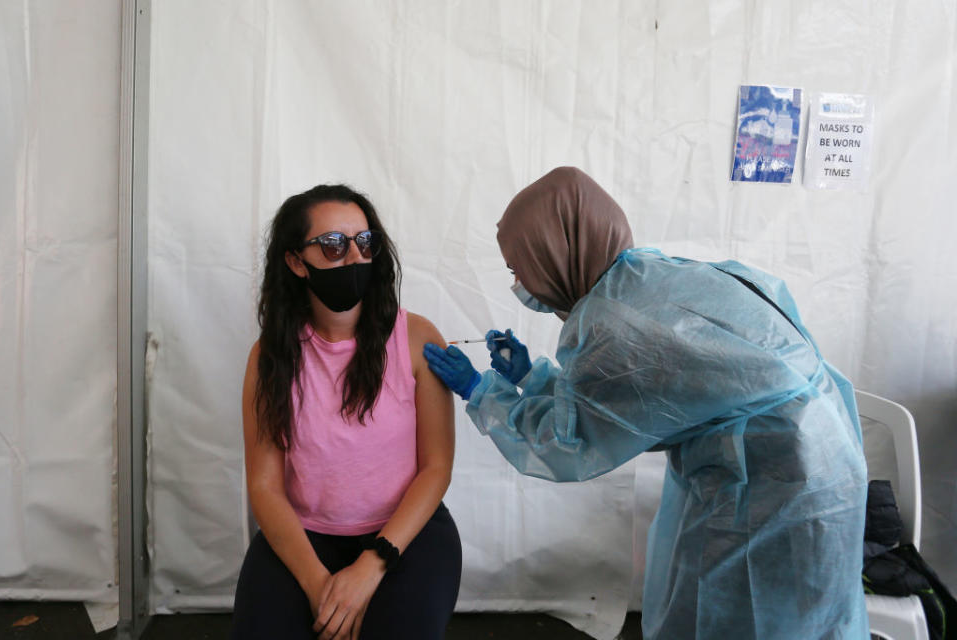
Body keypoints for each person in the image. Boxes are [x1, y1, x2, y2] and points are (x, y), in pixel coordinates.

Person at [423, 167, 869, 639]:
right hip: (820, 457)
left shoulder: (609, 323)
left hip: (776, 487)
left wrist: (481, 390)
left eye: (518, 266)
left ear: (553, 250)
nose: (517, 281)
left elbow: (566, 444)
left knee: (755, 619)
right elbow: (630, 403)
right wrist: (531, 378)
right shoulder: (648, 277)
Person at [232, 185, 461, 640]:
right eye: (333, 246)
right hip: (303, 537)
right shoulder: (271, 356)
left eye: (364, 243)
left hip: (405, 535)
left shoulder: (417, 339)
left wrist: (372, 567)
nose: (354, 258)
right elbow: (264, 485)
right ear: (296, 262)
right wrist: (320, 586)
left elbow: (436, 468)